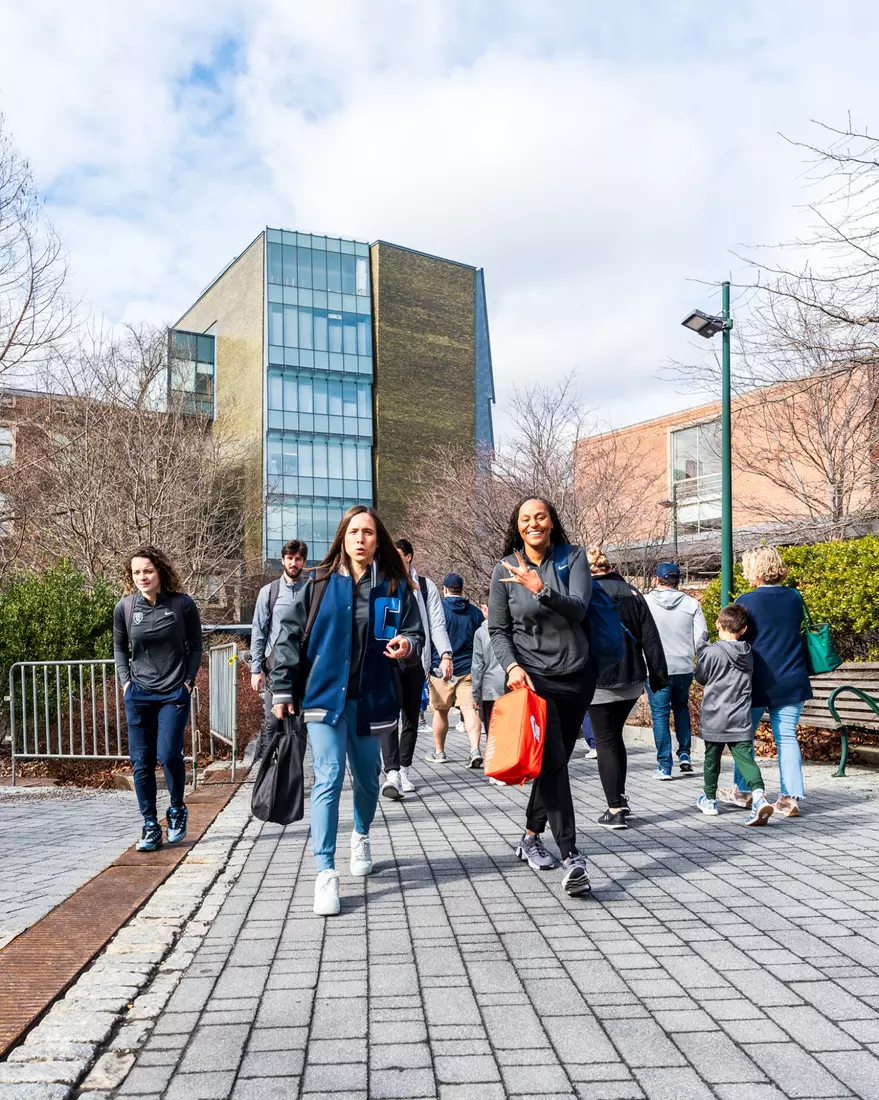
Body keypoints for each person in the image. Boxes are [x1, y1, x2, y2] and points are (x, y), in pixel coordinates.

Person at [270, 506, 423, 917]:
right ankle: (325, 872)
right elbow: (288, 636)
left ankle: (361, 834)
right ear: (343, 537)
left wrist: (407, 645)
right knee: (329, 775)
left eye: (368, 532)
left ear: (377, 539)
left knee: (368, 781)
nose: (360, 539)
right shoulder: (319, 582)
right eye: (354, 531)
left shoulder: (394, 586)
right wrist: (282, 688)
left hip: (371, 698)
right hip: (323, 696)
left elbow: (414, 632)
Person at [488, 497, 595, 897]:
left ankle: (531, 836)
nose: (533, 523)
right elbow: (498, 629)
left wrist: (541, 589)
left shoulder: (573, 557)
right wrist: (511, 667)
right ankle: (572, 856)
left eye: (540, 517)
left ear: (551, 523)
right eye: (525, 519)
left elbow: (579, 609)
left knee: (554, 761)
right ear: (518, 527)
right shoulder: (504, 568)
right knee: (553, 763)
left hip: (577, 677)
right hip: (534, 681)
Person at [113, 545, 203, 852]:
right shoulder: (125, 608)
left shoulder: (182, 605)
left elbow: (196, 647)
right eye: (136, 572)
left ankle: (177, 808)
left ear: (160, 572)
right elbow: (119, 648)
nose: (142, 577)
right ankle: (150, 824)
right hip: (138, 694)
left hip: (173, 694)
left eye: (148, 571)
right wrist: (126, 682)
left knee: (168, 754)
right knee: (141, 763)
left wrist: (188, 682)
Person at [720, 545, 813, 818]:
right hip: (792, 678)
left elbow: (735, 640)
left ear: (754, 569)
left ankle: (743, 791)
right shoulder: (795, 597)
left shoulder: (745, 601)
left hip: (754, 682)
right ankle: (789, 798)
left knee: (744, 737)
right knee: (787, 738)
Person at [587, 548, 668, 831]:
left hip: (599, 678)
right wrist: (658, 677)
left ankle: (615, 809)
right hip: (632, 679)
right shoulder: (633, 593)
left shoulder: (584, 594)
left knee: (605, 741)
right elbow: (650, 637)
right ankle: (620, 798)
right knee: (614, 737)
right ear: (610, 567)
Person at [383, 539, 453, 798]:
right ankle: (391, 772)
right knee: (389, 716)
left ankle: (404, 769)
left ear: (409, 557)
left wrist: (445, 654)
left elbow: (436, 623)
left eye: (397, 554)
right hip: (387, 659)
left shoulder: (424, 586)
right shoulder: (383, 582)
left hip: (415, 658)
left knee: (411, 716)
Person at [695, 604, 775, 826]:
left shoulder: (712, 652)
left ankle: (710, 800)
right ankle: (758, 797)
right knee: (745, 759)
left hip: (714, 715)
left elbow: (700, 677)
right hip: (740, 715)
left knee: (712, 759)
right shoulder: (748, 653)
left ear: (718, 625)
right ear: (743, 629)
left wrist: (701, 649)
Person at [645, 561, 707, 778]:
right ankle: (685, 755)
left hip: (655, 668)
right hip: (683, 666)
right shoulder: (691, 604)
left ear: (657, 579)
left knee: (660, 715)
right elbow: (701, 638)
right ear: (678, 581)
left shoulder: (645, 602)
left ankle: (664, 766)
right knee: (681, 708)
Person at [249, 539, 308, 761]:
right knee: (273, 722)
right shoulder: (269, 592)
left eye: (298, 559)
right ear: (282, 560)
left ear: (303, 562)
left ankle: (293, 771)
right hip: (274, 668)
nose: (294, 563)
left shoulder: (311, 590)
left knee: (299, 726)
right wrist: (256, 669)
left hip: (303, 669)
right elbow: (259, 631)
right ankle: (268, 769)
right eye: (290, 558)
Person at [424, 573, 485, 768]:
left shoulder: (438, 609)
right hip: (468, 668)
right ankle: (475, 750)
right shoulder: (475, 612)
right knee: (469, 709)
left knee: (440, 711)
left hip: (441, 669)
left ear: (444, 589)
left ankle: (439, 752)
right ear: (462, 589)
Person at [471, 602, 505, 734]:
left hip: (489, 689)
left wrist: (475, 695)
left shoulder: (480, 633)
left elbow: (477, 666)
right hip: (511, 686)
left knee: (492, 733)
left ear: (485, 608)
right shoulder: (512, 628)